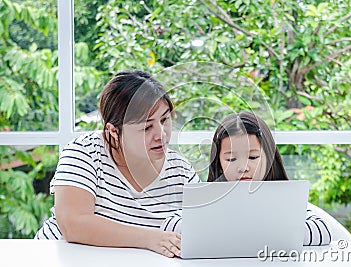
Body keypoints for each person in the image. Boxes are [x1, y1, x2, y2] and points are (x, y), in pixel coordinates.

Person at [35, 70, 200, 257]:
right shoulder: (85, 152)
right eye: (147, 127)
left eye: (165, 120)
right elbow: (73, 224)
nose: (161, 134)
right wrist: (150, 238)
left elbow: (202, 226)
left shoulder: (181, 170)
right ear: (113, 131)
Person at [207, 111, 331, 246]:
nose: (243, 168)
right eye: (231, 159)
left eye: (253, 157)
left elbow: (322, 230)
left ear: (270, 159)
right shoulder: (210, 200)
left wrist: (262, 233)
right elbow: (182, 221)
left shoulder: (284, 197)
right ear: (219, 164)